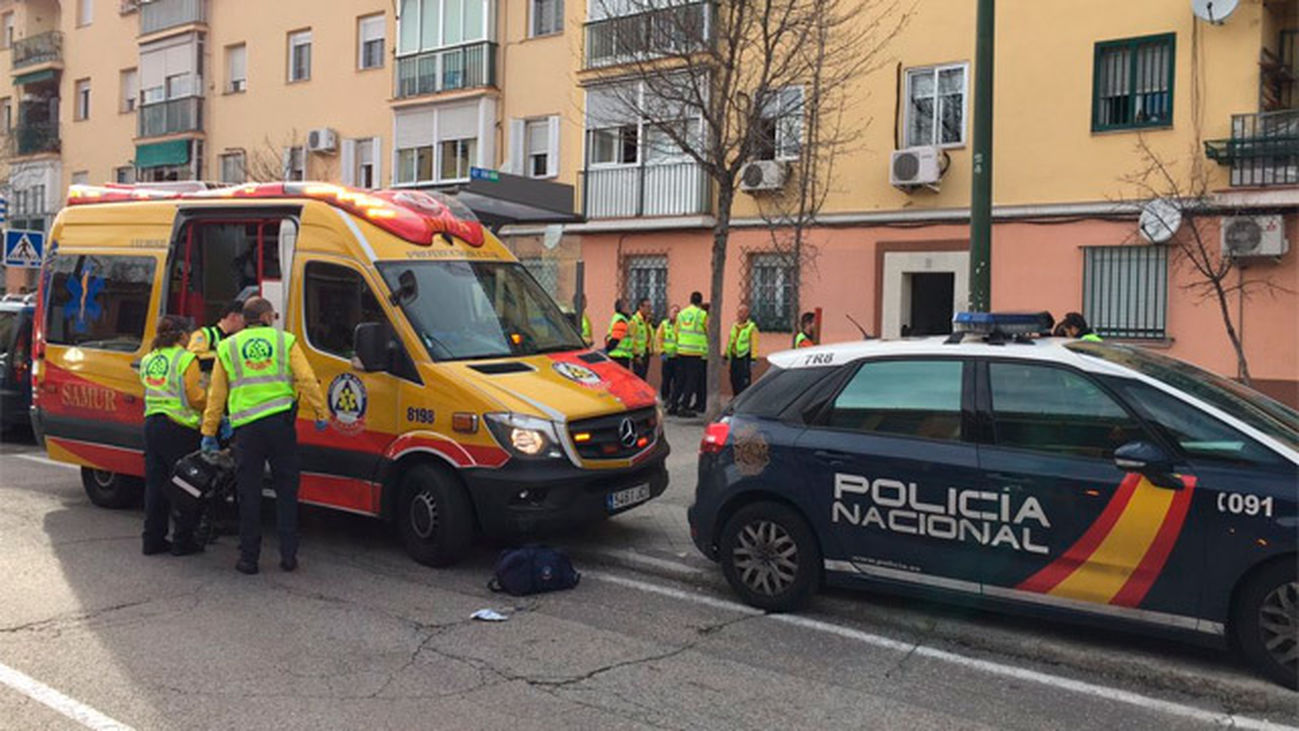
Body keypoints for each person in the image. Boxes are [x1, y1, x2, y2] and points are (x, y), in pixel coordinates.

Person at [200, 297, 329, 575]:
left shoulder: (227, 346)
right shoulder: (285, 341)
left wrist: (209, 431)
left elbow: (216, 394)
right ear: (268, 316)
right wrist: (321, 413)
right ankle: (288, 556)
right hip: (280, 426)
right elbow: (306, 379)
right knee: (286, 490)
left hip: (247, 430)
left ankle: (249, 559)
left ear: (245, 319)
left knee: (249, 493)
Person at [139, 315, 208, 556]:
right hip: (179, 427)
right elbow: (195, 396)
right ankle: (182, 541)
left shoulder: (149, 359)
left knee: (155, 485)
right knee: (185, 486)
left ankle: (152, 540)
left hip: (151, 424)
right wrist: (213, 403)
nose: (190, 338)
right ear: (181, 335)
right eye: (188, 334)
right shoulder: (186, 359)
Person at [670, 292, 708, 417]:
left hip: (682, 351)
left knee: (680, 379)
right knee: (691, 381)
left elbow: (676, 331)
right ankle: (684, 406)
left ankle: (673, 404)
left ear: (690, 300)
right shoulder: (702, 314)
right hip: (695, 352)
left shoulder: (681, 314)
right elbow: (708, 331)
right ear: (700, 302)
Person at [189, 300, 246, 367]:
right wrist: (222, 355)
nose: (245, 324)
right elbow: (194, 357)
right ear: (233, 317)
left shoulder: (238, 337)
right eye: (244, 319)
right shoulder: (204, 334)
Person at [726, 304, 759, 397]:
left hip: (744, 357)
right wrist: (726, 355)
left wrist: (753, 358)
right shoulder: (735, 326)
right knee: (733, 379)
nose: (740, 314)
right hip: (734, 356)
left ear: (747, 313)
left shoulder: (751, 327)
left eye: (742, 312)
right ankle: (735, 398)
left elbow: (754, 343)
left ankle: (742, 400)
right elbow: (731, 341)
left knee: (743, 381)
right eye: (739, 312)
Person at [655, 305, 679, 402]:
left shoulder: (680, 325)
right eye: (674, 311)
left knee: (676, 379)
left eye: (677, 312)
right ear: (669, 313)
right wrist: (661, 352)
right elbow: (658, 339)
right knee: (666, 379)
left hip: (677, 356)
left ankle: (674, 399)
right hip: (667, 356)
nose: (675, 314)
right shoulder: (664, 324)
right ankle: (665, 397)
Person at [605, 299, 633, 369]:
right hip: (619, 356)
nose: (630, 309)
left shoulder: (618, 318)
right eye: (628, 306)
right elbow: (616, 339)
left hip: (618, 355)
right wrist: (608, 350)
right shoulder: (621, 321)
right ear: (622, 308)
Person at [630, 298, 653, 379]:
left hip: (646, 352)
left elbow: (649, 336)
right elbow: (632, 339)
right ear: (640, 307)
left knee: (643, 377)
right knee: (638, 378)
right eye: (647, 307)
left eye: (650, 307)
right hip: (638, 354)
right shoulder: (634, 320)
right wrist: (636, 355)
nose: (649, 309)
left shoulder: (646, 321)